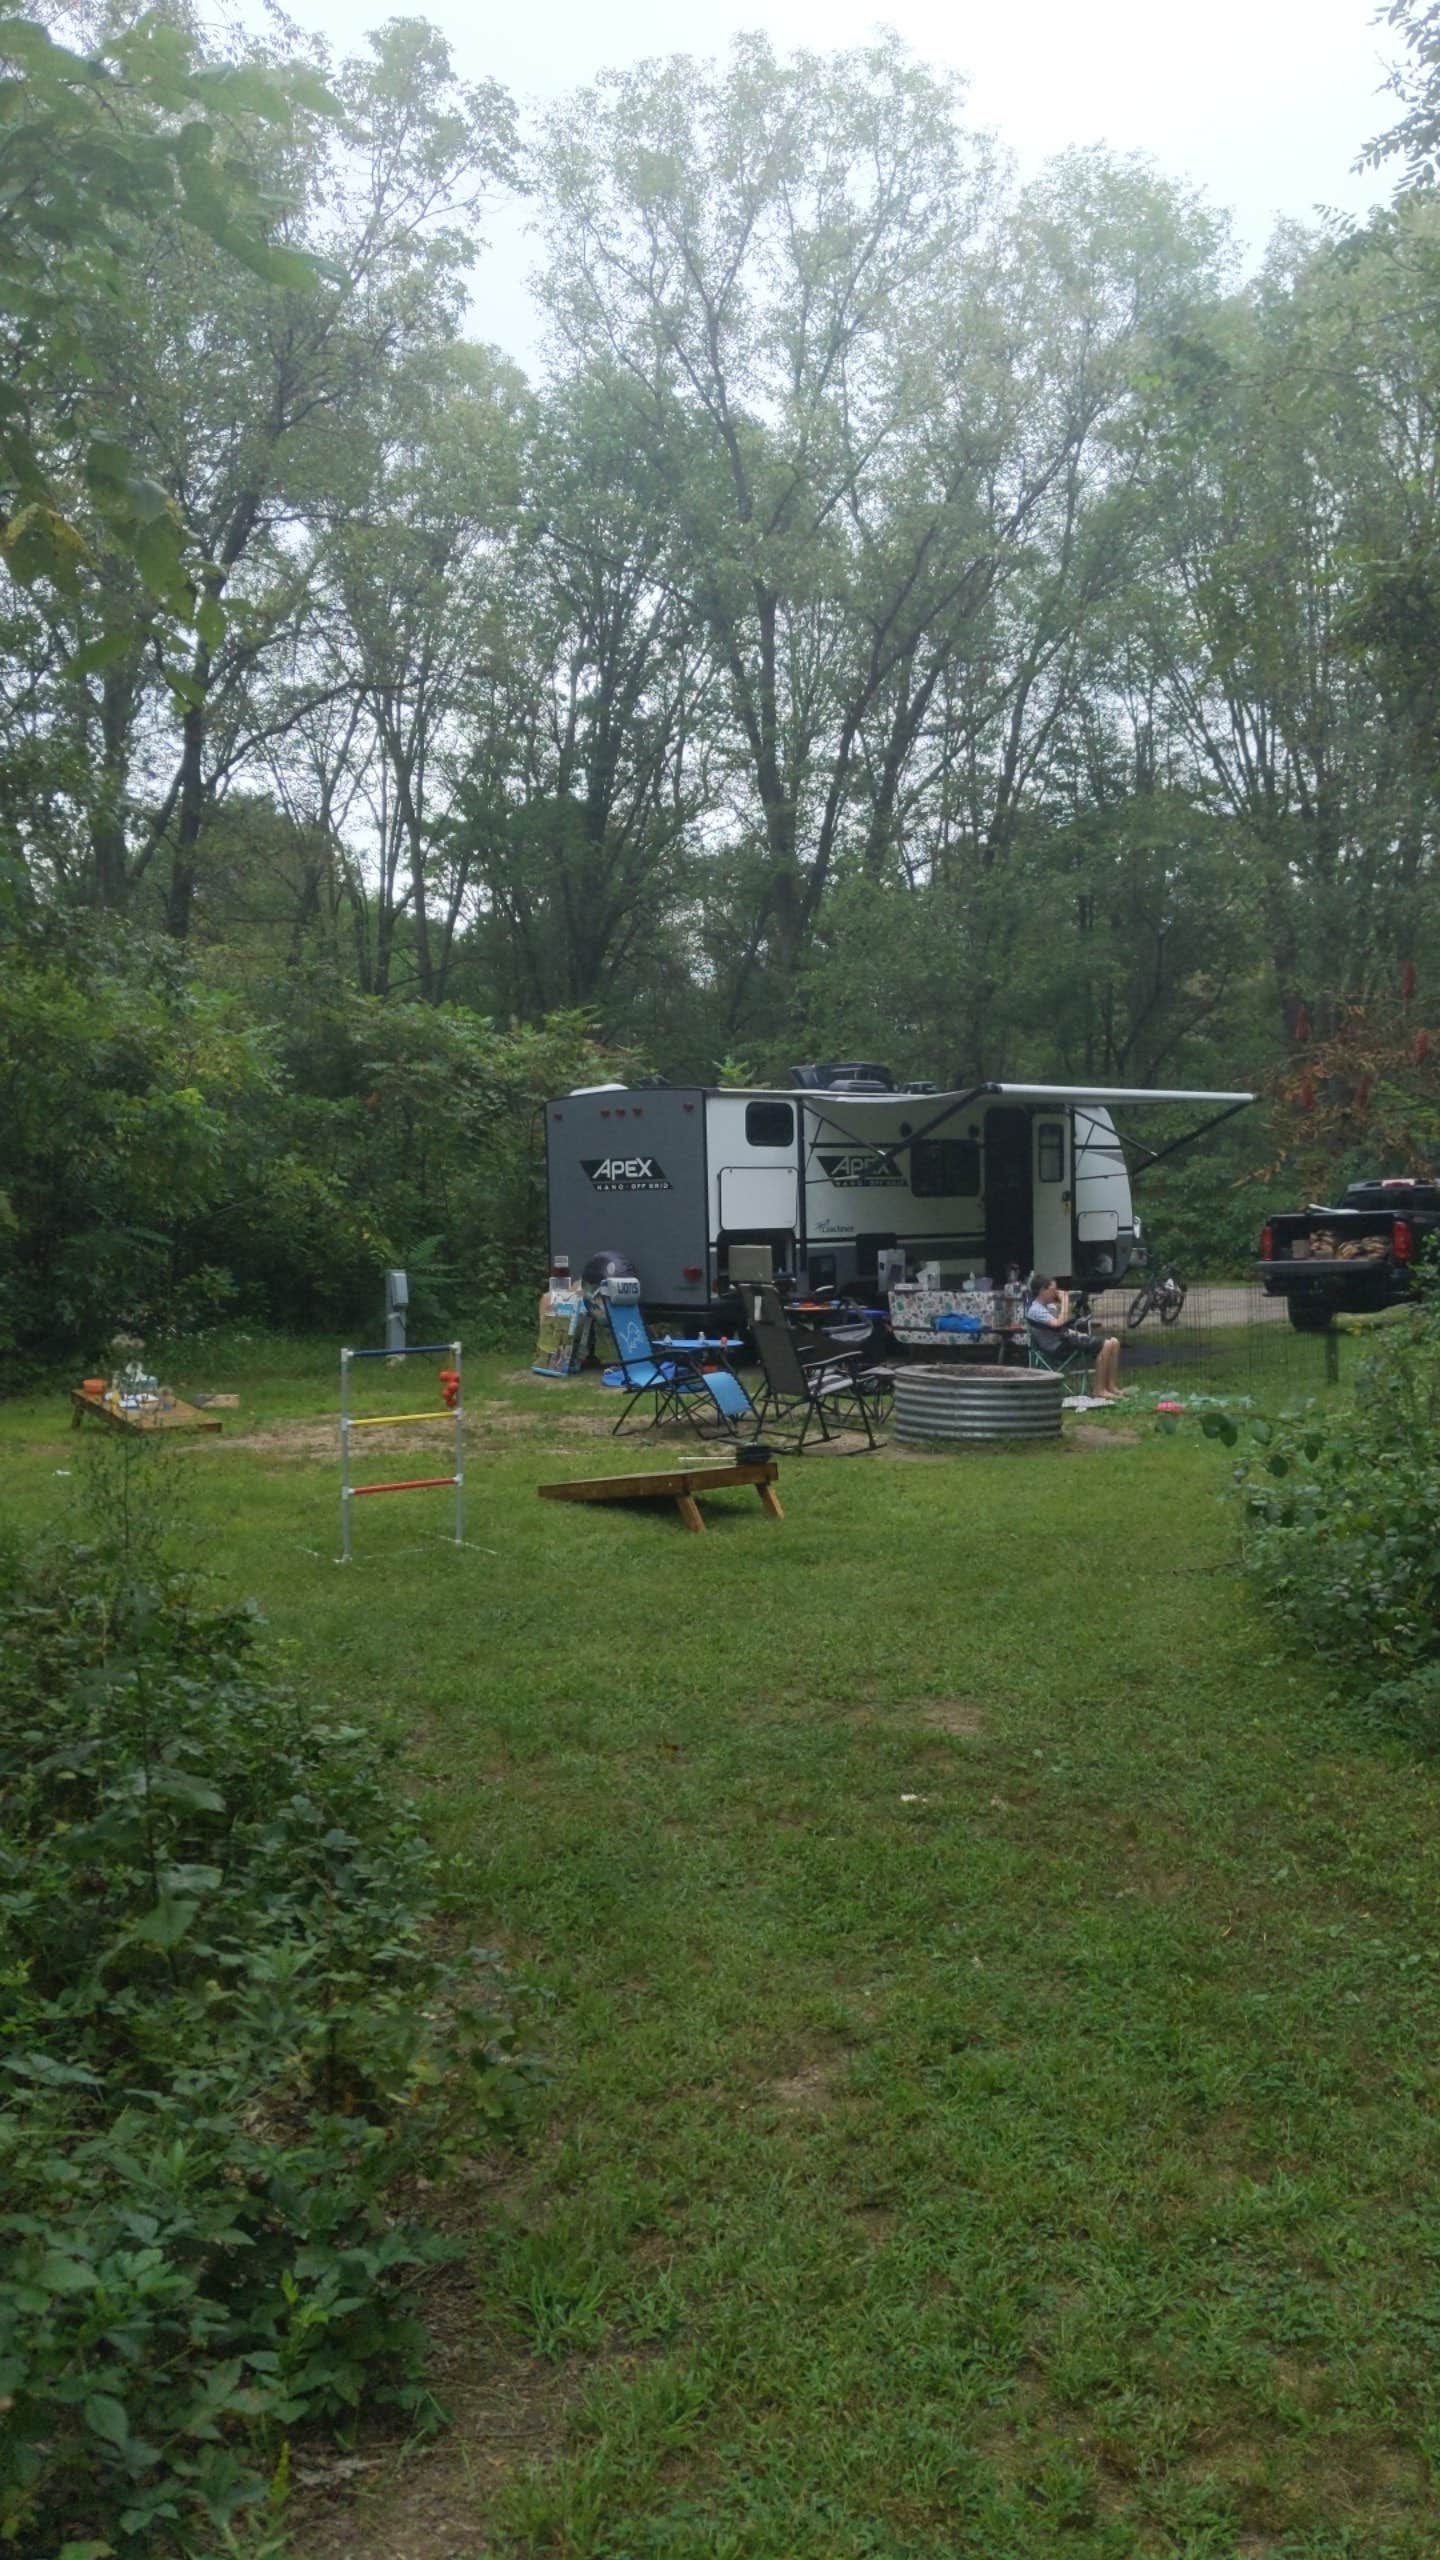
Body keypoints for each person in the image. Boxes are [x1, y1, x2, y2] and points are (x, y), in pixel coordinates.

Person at [1025, 1276, 1122, 1400]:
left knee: (1114, 1342)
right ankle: (1099, 1390)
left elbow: (1062, 1325)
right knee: (1106, 1344)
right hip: (1056, 1346)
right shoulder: (1035, 1309)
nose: (1056, 1292)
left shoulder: (1050, 1307)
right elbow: (1059, 1323)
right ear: (1042, 1291)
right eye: (1053, 1290)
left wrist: (1078, 1334)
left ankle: (1111, 1386)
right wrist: (1065, 1300)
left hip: (1064, 1339)